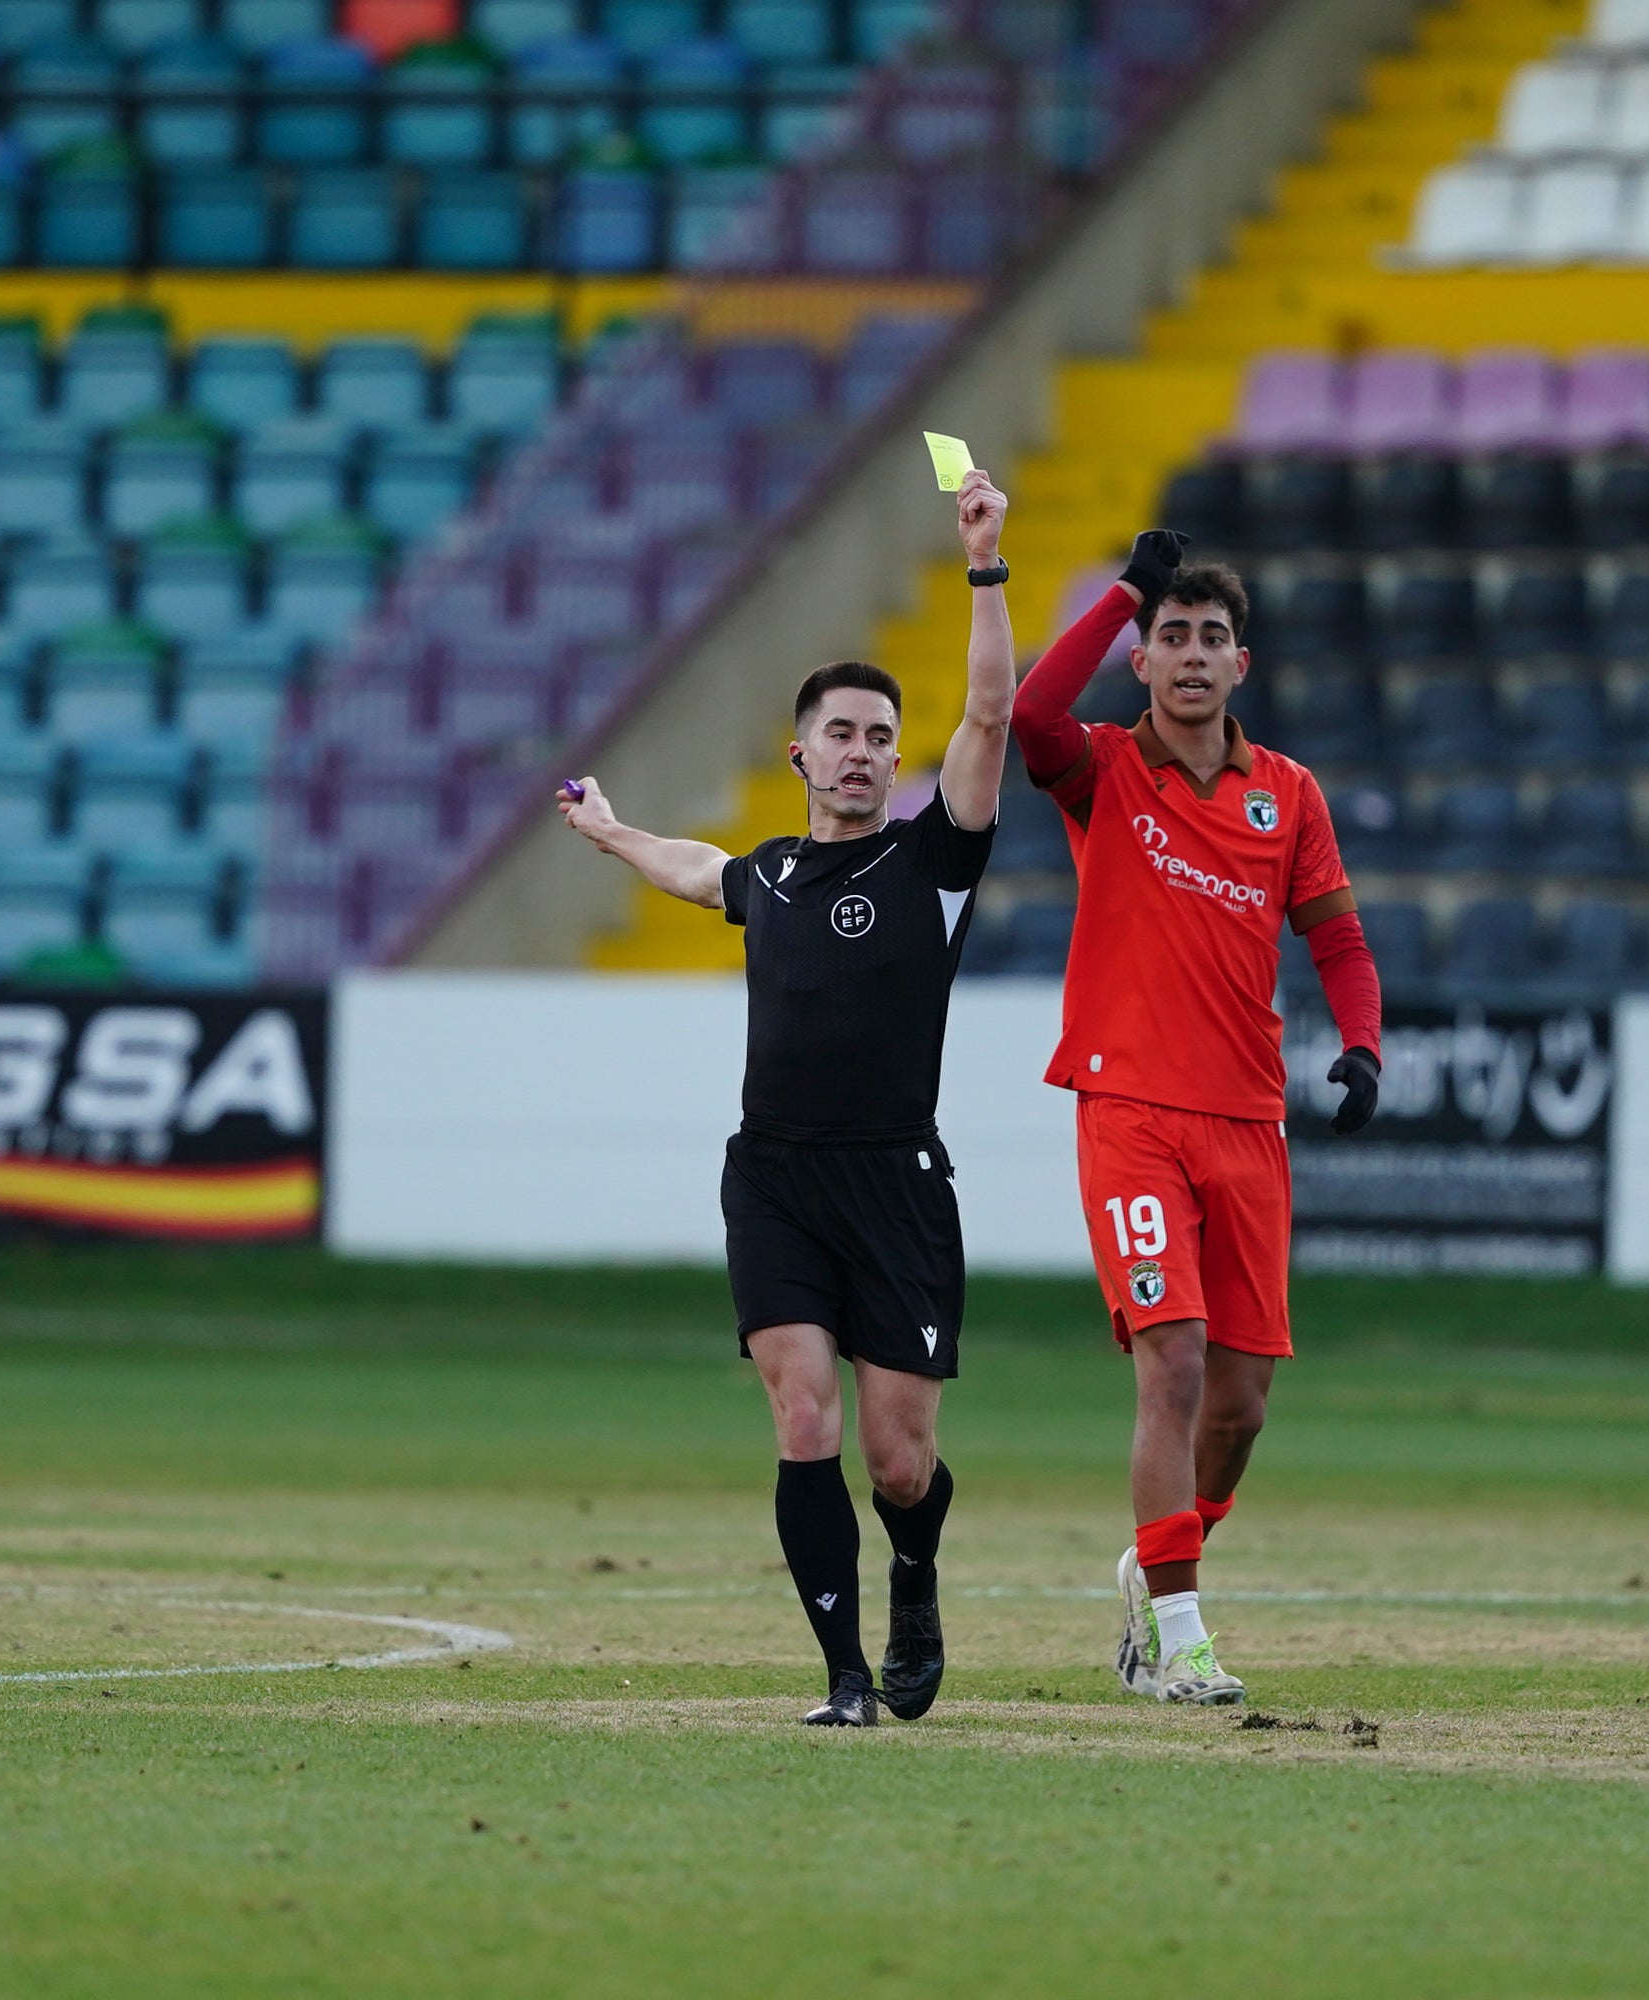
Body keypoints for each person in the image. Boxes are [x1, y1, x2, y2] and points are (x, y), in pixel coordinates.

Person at [553, 467, 1015, 1727]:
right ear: (799, 750)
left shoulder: (934, 860)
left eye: (880, 734)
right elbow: (697, 867)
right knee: (801, 1411)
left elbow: (987, 719)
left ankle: (915, 1572)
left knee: (896, 1458)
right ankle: (846, 1678)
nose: (862, 752)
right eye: (841, 732)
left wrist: (983, 565)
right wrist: (611, 833)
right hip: (774, 1177)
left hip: (895, 1183)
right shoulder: (771, 873)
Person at [1010, 533, 1383, 1710]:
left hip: (1247, 1119)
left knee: (1242, 1401)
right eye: (1168, 635)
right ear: (1139, 657)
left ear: (1241, 663)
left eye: (1209, 637)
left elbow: (1336, 937)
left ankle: (1158, 1559)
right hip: (1128, 1108)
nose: (1189, 654)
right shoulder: (1107, 770)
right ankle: (1180, 1636)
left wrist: (1364, 1041)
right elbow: (1027, 714)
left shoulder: (1293, 792)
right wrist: (1122, 581)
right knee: (1168, 1359)